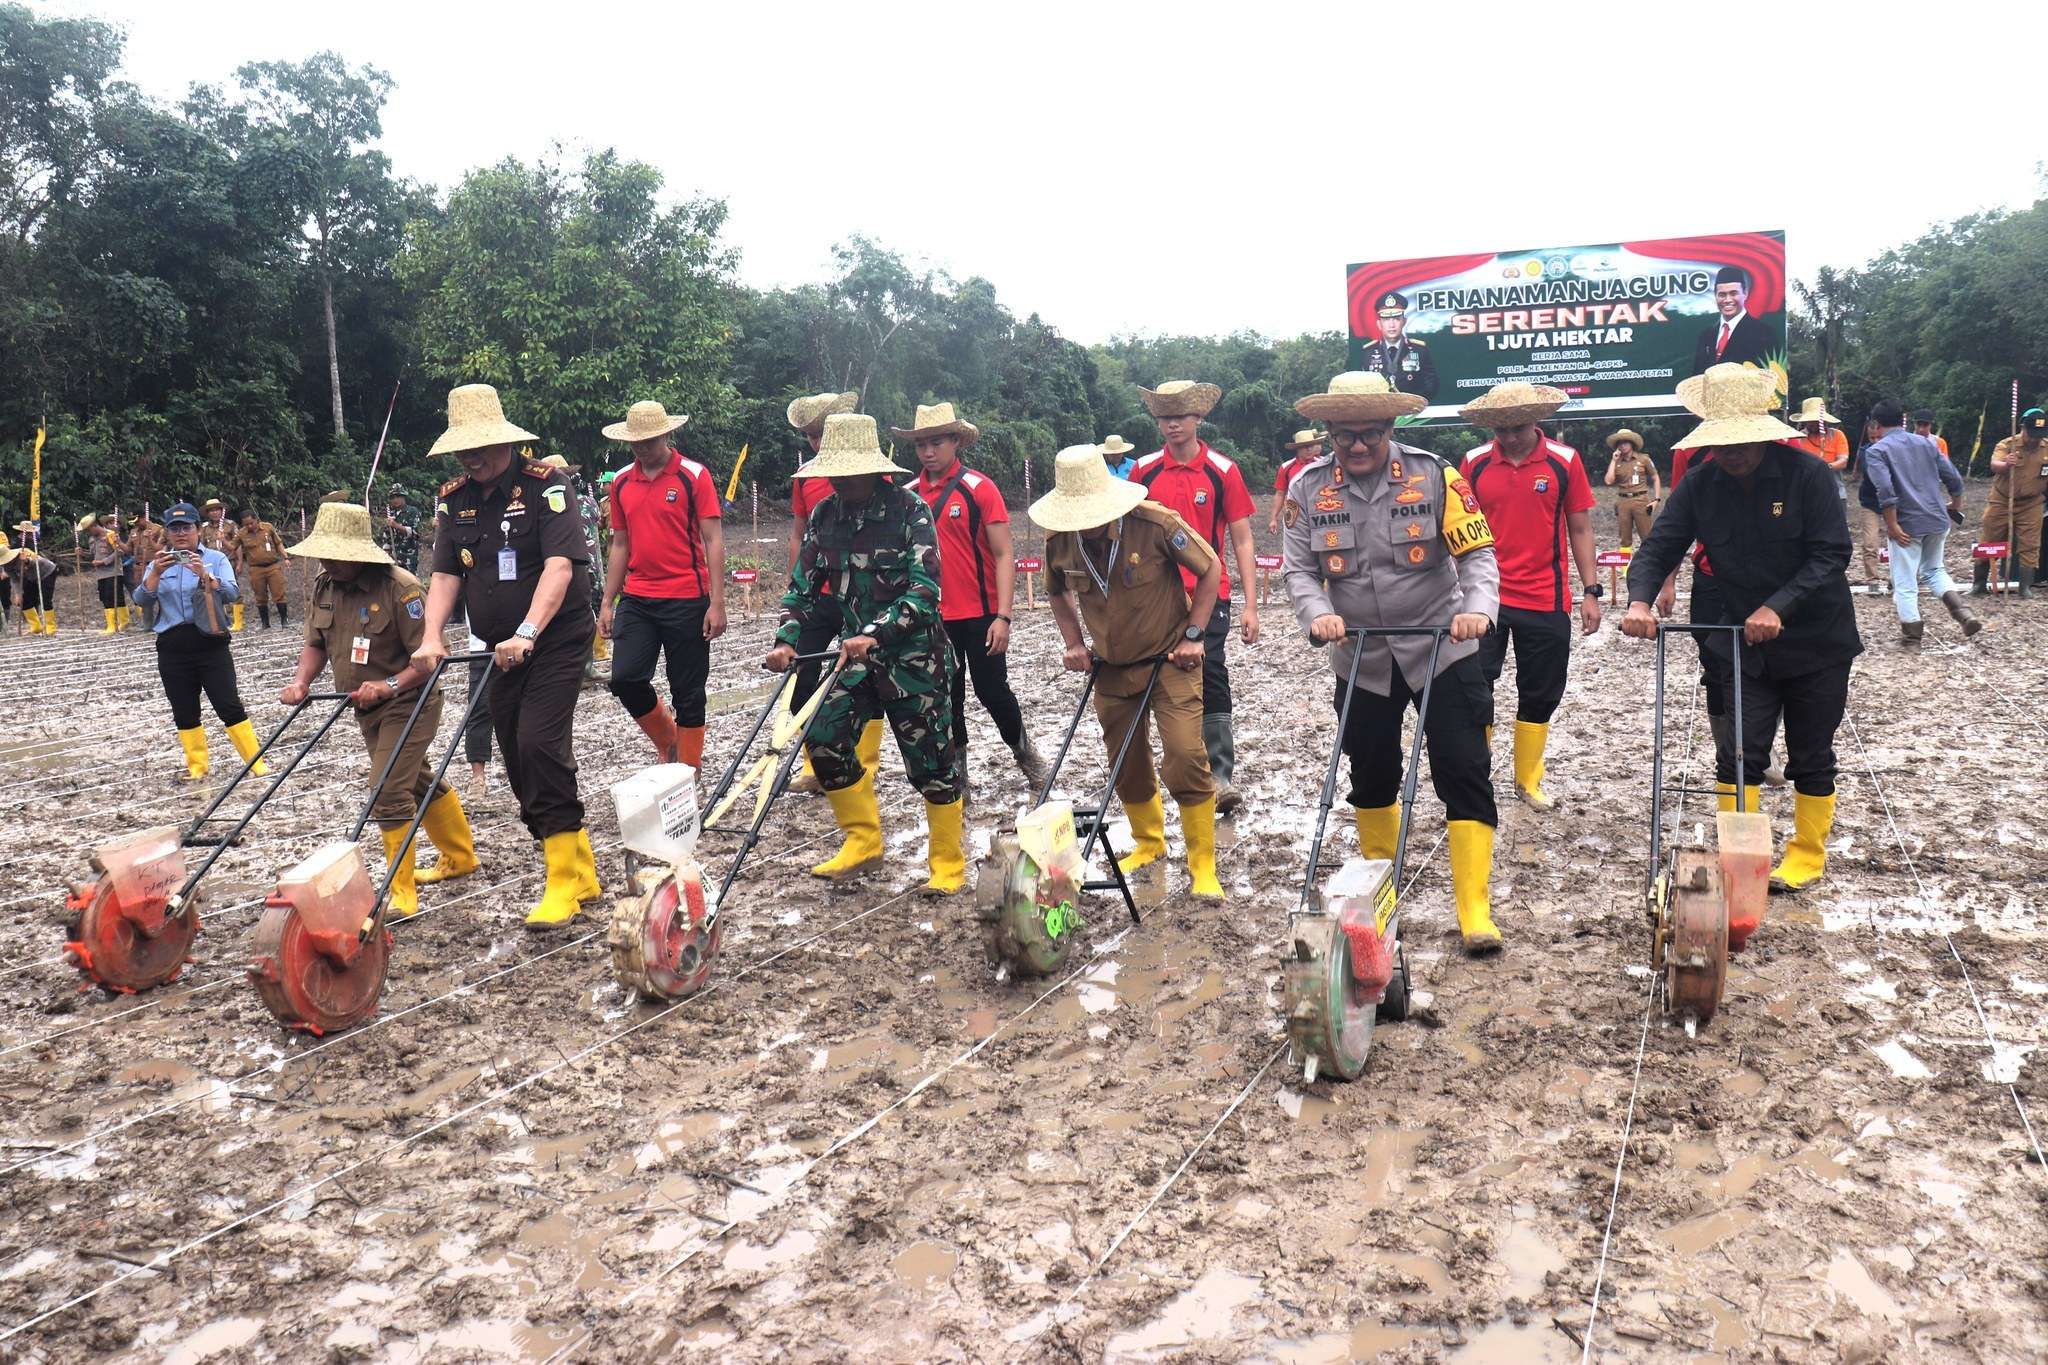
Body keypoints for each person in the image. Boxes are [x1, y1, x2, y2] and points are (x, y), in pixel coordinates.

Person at [1283, 373, 1503, 951]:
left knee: (1463, 768)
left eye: (1370, 435)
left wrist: (1477, 611)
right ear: (1328, 432)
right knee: (1371, 775)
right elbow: (1300, 569)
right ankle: (1383, 900)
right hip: (1360, 655)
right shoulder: (1307, 489)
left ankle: (1474, 911)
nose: (1357, 447)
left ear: (1390, 428)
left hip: (1443, 647)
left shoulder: (1435, 474)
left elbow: (1478, 554)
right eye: (1344, 436)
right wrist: (1316, 615)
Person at [1623, 363, 1860, 899]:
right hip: (1739, 640)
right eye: (1722, 444)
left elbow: (1831, 554)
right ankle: (1744, 855)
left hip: (1817, 639)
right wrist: (1640, 598)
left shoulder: (1809, 477)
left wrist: (1778, 606)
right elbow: (1662, 544)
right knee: (1738, 753)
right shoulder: (1701, 483)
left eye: (1742, 443)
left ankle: (1805, 855)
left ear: (1764, 434)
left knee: (1811, 752)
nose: (1731, 453)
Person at [413, 384, 599, 930]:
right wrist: (432, 636)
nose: (473, 457)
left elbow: (561, 568)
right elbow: (447, 573)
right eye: (463, 449)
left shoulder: (547, 486)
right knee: (518, 759)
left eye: (482, 446)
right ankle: (580, 865)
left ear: (505, 441)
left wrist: (527, 631)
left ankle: (562, 881)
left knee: (539, 743)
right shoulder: (454, 499)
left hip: (556, 637)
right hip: (498, 648)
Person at [763, 413, 963, 893]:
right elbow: (803, 589)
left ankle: (947, 864)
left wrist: (875, 631)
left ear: (873, 471)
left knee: (931, 762)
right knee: (824, 734)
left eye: (847, 472)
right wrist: (786, 638)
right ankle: (863, 842)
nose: (838, 480)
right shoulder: (825, 516)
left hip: (916, 659)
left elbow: (924, 590)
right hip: (857, 661)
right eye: (832, 472)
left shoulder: (909, 511)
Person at [1035, 442, 1224, 898]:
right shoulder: (1060, 540)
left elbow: (1211, 568)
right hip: (1111, 670)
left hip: (1169, 661)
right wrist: (1074, 643)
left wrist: (1194, 636)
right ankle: (1148, 843)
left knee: (1183, 755)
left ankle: (1202, 865)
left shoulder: (1155, 524)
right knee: (1126, 761)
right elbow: (1057, 592)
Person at [278, 501, 481, 915]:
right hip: (363, 705)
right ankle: (461, 857)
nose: (328, 562)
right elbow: (315, 644)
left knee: (388, 788)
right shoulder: (324, 586)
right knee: (413, 777)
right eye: (324, 554)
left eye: (337, 556)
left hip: (411, 701)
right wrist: (301, 682)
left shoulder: (400, 588)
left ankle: (401, 892)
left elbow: (429, 659)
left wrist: (388, 685)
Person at [1459, 382, 1601, 811]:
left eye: (1517, 427)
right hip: (1485, 599)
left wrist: (1591, 591)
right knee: (1474, 687)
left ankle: (1528, 780)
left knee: (1540, 693)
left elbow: (1579, 527)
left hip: (1546, 597)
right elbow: (1456, 529)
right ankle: (1474, 775)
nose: (1510, 437)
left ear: (1535, 421)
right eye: (1501, 429)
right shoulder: (1474, 463)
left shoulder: (1564, 461)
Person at [896, 402, 1047, 794]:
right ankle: (958, 772)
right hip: (931, 617)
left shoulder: (979, 489)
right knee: (945, 695)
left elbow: (1003, 554)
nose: (929, 451)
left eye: (937, 442)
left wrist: (1004, 616)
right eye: (922, 445)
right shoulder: (907, 496)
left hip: (980, 614)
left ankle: (1025, 754)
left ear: (957, 441)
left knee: (992, 690)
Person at [1131, 379, 1260, 813]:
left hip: (1211, 593)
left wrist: (1251, 605)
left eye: (1180, 416)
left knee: (1210, 671)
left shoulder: (1222, 471)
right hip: (1154, 597)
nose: (1172, 425)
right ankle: (1171, 769)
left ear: (1198, 418)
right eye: (1165, 417)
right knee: (1151, 678)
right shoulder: (1143, 471)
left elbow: (1242, 539)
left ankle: (1219, 773)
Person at [598, 400, 727, 769]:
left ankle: (689, 767)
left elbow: (713, 539)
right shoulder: (622, 482)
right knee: (625, 679)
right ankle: (667, 738)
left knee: (688, 689)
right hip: (637, 598)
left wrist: (716, 602)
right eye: (636, 442)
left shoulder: (693, 476)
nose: (642, 448)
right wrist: (608, 600)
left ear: (667, 435)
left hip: (687, 597)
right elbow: (619, 543)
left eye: (650, 440)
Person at [132, 502, 269, 781]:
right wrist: (155, 574)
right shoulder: (159, 562)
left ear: (197, 529)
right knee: (184, 709)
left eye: (186, 528)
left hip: (210, 642)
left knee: (228, 704)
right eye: (174, 529)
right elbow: (140, 599)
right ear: (168, 533)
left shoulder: (215, 559)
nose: (181, 534)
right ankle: (197, 768)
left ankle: (257, 764)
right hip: (172, 645)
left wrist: (205, 576)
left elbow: (231, 593)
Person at [781, 390, 872, 794]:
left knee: (865, 673)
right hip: (818, 593)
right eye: (811, 436)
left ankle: (866, 761)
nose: (816, 443)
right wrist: (793, 588)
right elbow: (799, 536)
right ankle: (813, 765)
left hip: (858, 595)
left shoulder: (870, 473)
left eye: (821, 434)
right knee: (803, 671)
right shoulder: (805, 480)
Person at [1861, 399, 1975, 643]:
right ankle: (1962, 612)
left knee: (1905, 580)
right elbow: (1953, 477)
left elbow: (1885, 490)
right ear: (1903, 421)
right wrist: (1955, 504)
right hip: (1936, 518)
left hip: (1906, 523)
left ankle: (1912, 634)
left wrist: (1892, 525)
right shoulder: (1926, 444)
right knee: (1935, 569)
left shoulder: (1877, 451)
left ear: (1876, 424)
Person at [541, 453, 611, 673]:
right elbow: (598, 522)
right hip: (587, 566)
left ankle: (580, 667)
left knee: (572, 617)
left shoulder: (548, 504)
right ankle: (586, 666)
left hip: (567, 568)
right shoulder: (588, 502)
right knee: (587, 614)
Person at [1973, 408, 2048, 597]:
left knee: (2030, 545)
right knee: (1990, 539)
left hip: (2032, 503)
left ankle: (2025, 587)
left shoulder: (2046, 447)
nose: (2034, 439)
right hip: (2002, 501)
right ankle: (1979, 583)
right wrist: (2006, 464)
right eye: (2031, 434)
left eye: (2039, 435)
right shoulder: (2008, 445)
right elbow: (1994, 465)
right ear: (2022, 427)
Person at [1357, 292, 1440, 400]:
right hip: (1379, 413)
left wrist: (1412, 404)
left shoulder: (1419, 350)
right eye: (1386, 319)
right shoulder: (1368, 353)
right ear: (1379, 324)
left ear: (1404, 321)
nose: (1391, 325)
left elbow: (1431, 385)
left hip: (1411, 412)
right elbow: (1361, 389)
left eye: (1396, 318)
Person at [1690, 266, 1772, 373]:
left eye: (1733, 293)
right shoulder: (1706, 336)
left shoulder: (1763, 332)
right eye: (1722, 295)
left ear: (1745, 293)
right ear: (1715, 296)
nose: (1727, 300)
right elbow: (1697, 376)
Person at [1603, 430, 1661, 548]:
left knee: (1647, 537)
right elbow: (1608, 481)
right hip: (1623, 502)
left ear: (1632, 443)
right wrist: (1613, 460)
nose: (1623, 445)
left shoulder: (1644, 459)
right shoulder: (1616, 461)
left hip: (1641, 500)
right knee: (1625, 540)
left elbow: (1655, 477)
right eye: (1620, 443)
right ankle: (1625, 566)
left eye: (1626, 442)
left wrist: (1656, 499)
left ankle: (1649, 565)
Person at [237, 509, 290, 628]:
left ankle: (284, 620)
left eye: (251, 523)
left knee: (279, 592)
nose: (249, 526)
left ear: (256, 520)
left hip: (273, 565)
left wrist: (285, 557)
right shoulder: (241, 534)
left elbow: (278, 543)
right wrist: (223, 540)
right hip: (255, 568)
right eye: (246, 524)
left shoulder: (268, 527)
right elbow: (233, 546)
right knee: (260, 595)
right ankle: (265, 623)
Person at [1268, 428, 1327, 534]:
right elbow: (1280, 494)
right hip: (1295, 514)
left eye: (1311, 446)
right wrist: (1273, 518)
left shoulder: (1323, 464)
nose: (1309, 449)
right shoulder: (1286, 467)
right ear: (1298, 448)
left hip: (1320, 512)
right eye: (1305, 447)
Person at [198, 499, 242, 631]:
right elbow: (201, 546)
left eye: (217, 509)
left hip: (229, 560)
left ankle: (238, 621)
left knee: (232, 588)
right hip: (210, 563)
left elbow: (237, 546)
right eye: (211, 510)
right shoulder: (204, 527)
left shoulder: (230, 525)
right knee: (212, 590)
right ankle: (220, 617)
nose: (215, 512)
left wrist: (240, 562)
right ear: (207, 513)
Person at [82, 514, 129, 634]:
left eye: (88, 530)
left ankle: (117, 624)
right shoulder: (92, 539)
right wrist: (82, 553)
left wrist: (104, 562)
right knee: (104, 597)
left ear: (94, 526)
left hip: (113, 572)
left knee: (113, 597)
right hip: (100, 574)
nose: (88, 533)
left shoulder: (111, 535)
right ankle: (114, 623)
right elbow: (94, 555)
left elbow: (120, 551)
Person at [8, 528, 58, 633]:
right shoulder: (6, 565)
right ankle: (36, 626)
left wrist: (26, 561)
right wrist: (18, 594)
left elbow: (34, 560)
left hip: (46, 572)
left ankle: (50, 627)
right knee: (24, 599)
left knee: (45, 598)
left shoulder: (23, 552)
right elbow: (15, 580)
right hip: (30, 577)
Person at [1789, 397, 1851, 472]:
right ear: (1805, 421)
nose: (1814, 423)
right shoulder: (1798, 438)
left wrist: (1825, 468)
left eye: (1817, 420)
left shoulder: (1837, 435)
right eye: (1811, 421)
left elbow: (1843, 462)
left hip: (1832, 479)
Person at [382, 486, 423, 573]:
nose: (395, 500)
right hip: (393, 559)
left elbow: (415, 533)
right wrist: (385, 555)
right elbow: (387, 537)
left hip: (408, 558)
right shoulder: (392, 515)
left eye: (398, 496)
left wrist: (396, 525)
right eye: (393, 497)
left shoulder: (412, 512)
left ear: (404, 497)